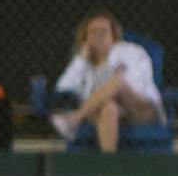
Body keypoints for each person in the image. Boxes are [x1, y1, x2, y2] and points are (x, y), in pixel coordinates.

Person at [51, 11, 164, 152]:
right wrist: (80, 59)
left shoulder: (130, 51)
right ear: (86, 37)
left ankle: (76, 118)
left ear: (114, 35)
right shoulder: (84, 62)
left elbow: (132, 84)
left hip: (139, 108)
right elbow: (64, 86)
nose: (99, 36)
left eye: (103, 31)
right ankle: (109, 165)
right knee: (109, 108)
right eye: (93, 32)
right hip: (101, 111)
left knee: (118, 82)